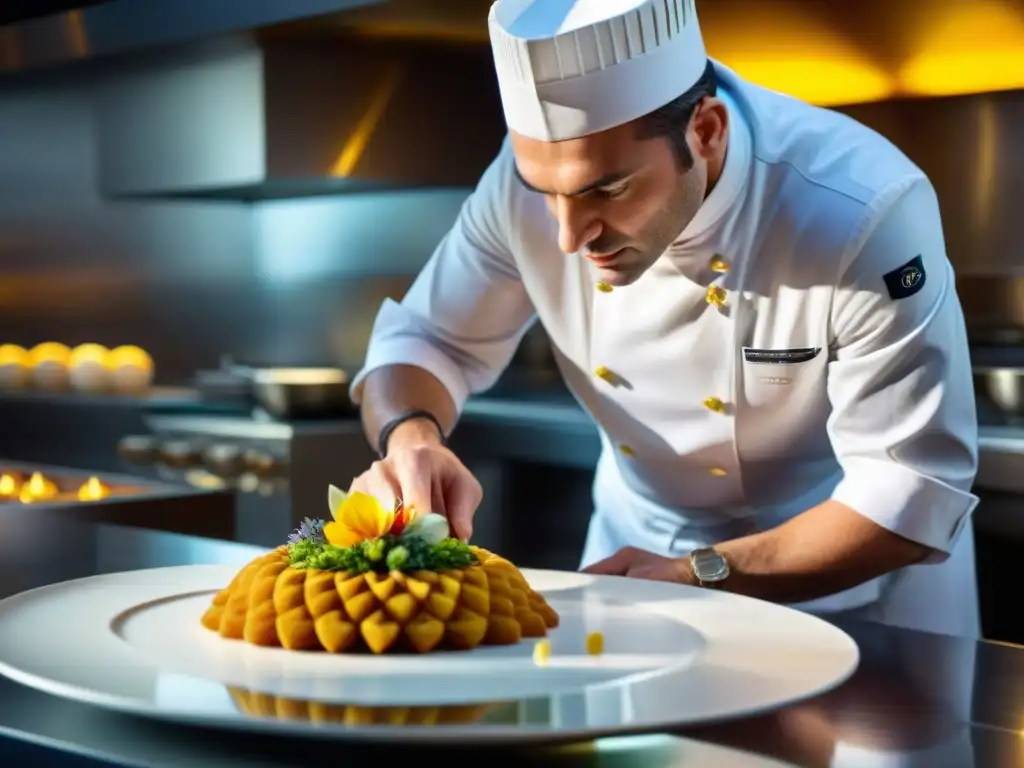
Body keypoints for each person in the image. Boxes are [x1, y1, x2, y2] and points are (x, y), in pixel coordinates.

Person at [344, 0, 980, 638]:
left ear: (705, 131)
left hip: (853, 596)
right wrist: (414, 442)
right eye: (548, 194)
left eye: (609, 188)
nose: (569, 238)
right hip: (633, 569)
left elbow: (909, 485)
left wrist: (696, 573)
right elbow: (426, 340)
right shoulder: (517, 191)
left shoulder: (857, 208)